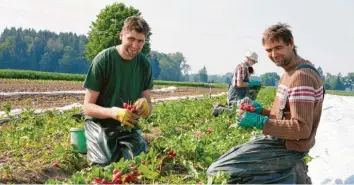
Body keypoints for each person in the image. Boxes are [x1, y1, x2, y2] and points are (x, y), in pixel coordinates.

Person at [207, 23, 324, 184]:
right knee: (227, 162)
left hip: (288, 147)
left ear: (291, 43)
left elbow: (302, 129)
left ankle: (289, 178)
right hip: (281, 141)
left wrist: (261, 122)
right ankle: (290, 174)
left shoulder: (301, 77)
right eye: (269, 50)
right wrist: (261, 112)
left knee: (218, 174)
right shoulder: (289, 72)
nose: (274, 54)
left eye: (278, 47)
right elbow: (285, 116)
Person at [82, 16, 153, 166]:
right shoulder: (104, 60)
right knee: (105, 164)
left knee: (137, 165)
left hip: (127, 124)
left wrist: (146, 105)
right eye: (131, 39)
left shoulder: (144, 65)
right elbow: (87, 107)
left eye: (140, 41)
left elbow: (148, 102)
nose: (135, 45)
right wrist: (113, 112)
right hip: (100, 123)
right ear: (121, 35)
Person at [211, 51, 261, 117]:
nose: (254, 63)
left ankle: (219, 106)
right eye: (253, 61)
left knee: (237, 109)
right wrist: (250, 84)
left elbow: (245, 79)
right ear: (248, 59)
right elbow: (239, 84)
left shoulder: (245, 67)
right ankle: (217, 110)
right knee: (236, 112)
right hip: (236, 94)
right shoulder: (242, 67)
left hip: (238, 93)